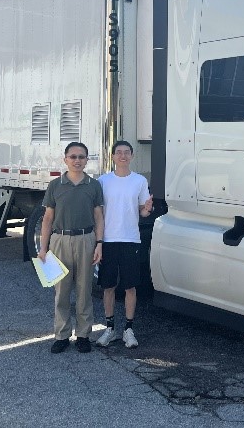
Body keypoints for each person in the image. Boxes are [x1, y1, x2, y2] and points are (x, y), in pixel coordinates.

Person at [38, 142, 104, 354]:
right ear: (65, 159)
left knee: (85, 290)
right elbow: (48, 218)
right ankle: (62, 335)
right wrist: (43, 247)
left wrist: (99, 244)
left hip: (86, 239)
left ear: (86, 160)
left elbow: (98, 217)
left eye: (82, 157)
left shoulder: (93, 185)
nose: (77, 160)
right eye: (73, 156)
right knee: (62, 291)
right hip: (60, 241)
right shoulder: (55, 185)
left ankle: (84, 335)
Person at [95, 140, 153, 349]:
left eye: (126, 153)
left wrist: (147, 208)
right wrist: (98, 242)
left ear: (132, 156)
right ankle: (109, 328)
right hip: (109, 240)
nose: (122, 156)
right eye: (118, 152)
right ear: (112, 156)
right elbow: (98, 213)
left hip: (131, 239)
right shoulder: (103, 181)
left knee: (130, 286)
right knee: (108, 286)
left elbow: (143, 211)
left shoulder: (139, 181)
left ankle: (129, 329)